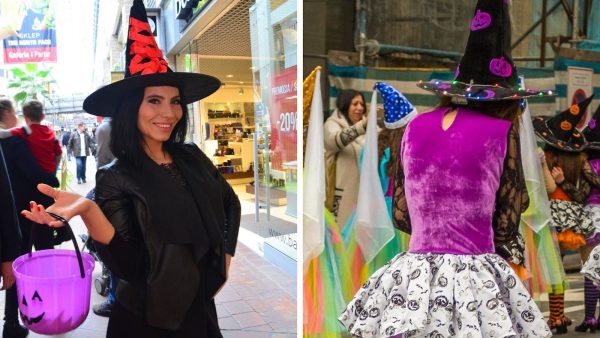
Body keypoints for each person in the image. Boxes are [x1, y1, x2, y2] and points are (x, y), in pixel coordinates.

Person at [22, 0, 240, 336]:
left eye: (175, 101)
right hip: (146, 320)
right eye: (154, 100)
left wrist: (223, 260)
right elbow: (131, 267)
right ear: (131, 108)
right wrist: (89, 210)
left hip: (200, 313)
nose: (168, 112)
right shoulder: (115, 176)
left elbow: (231, 204)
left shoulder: (191, 157)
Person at [339, 1, 553, 336]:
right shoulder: (500, 132)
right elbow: (508, 223)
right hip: (476, 275)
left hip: (414, 277)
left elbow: (401, 214)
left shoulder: (415, 126)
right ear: (506, 98)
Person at [533, 95, 598, 334]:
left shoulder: (544, 158)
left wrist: (557, 181)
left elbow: (544, 189)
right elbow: (583, 193)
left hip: (548, 217)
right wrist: (568, 186)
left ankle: (557, 316)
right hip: (574, 218)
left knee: (554, 267)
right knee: (588, 268)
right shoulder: (581, 160)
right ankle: (583, 316)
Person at [0, 98, 59, 338]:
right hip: (33, 212)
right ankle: (51, 310)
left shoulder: (13, 139)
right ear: (7, 114)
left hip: (12, 217)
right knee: (45, 260)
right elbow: (37, 174)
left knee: (16, 265)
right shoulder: (15, 142)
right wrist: (53, 183)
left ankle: (11, 322)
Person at [574, 103, 600, 332]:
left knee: (591, 268)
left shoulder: (587, 164)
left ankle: (590, 317)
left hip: (592, 218)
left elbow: (581, 195)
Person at [324, 89, 366, 226]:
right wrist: (362, 126)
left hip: (362, 197)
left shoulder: (369, 128)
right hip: (339, 196)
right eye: (355, 104)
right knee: (338, 238)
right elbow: (335, 140)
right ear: (345, 105)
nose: (360, 108)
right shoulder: (331, 124)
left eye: (362, 104)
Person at [90, 116, 118, 318]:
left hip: (113, 191)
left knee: (114, 245)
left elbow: (102, 161)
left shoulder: (106, 128)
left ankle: (113, 301)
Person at [0, 100, 62, 174]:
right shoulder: (50, 132)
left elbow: (3, 134)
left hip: (36, 173)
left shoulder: (24, 130)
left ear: (25, 118)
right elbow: (58, 153)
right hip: (50, 171)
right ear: (43, 117)